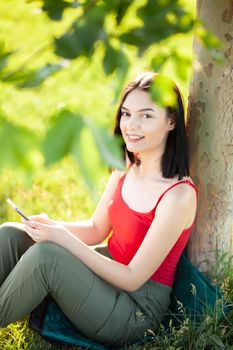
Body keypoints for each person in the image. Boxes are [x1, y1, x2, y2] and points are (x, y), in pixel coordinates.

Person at [0, 72, 198, 346]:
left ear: (172, 122)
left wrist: (61, 238)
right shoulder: (127, 167)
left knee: (46, 257)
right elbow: (95, 230)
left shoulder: (179, 196)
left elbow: (132, 279)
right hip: (104, 278)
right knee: (11, 234)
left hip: (134, 311)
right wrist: (50, 226)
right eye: (127, 114)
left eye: (146, 115)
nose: (131, 125)